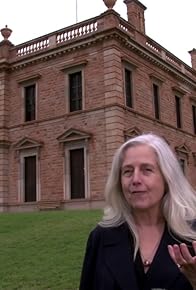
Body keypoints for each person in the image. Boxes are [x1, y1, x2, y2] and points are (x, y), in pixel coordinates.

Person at [79, 133, 196, 290]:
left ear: (167, 178)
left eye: (146, 170)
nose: (135, 179)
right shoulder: (101, 236)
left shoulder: (192, 234)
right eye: (127, 171)